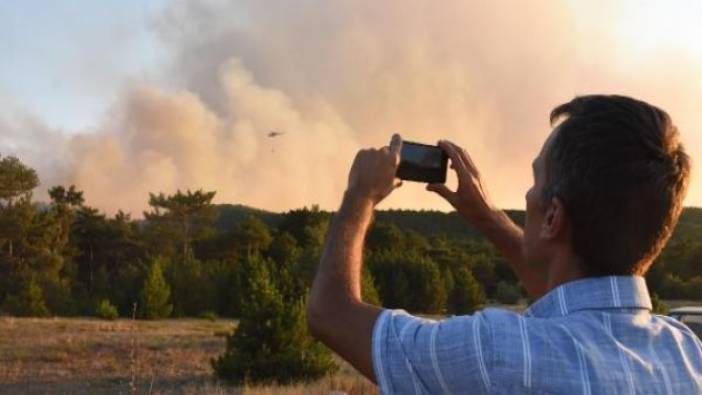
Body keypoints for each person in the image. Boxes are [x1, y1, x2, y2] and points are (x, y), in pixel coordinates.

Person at [307, 94, 702, 394]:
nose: (528, 196)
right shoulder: (685, 354)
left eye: (535, 181)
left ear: (552, 217)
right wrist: (487, 216)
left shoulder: (497, 353)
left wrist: (360, 195)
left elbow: (331, 313)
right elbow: (571, 297)